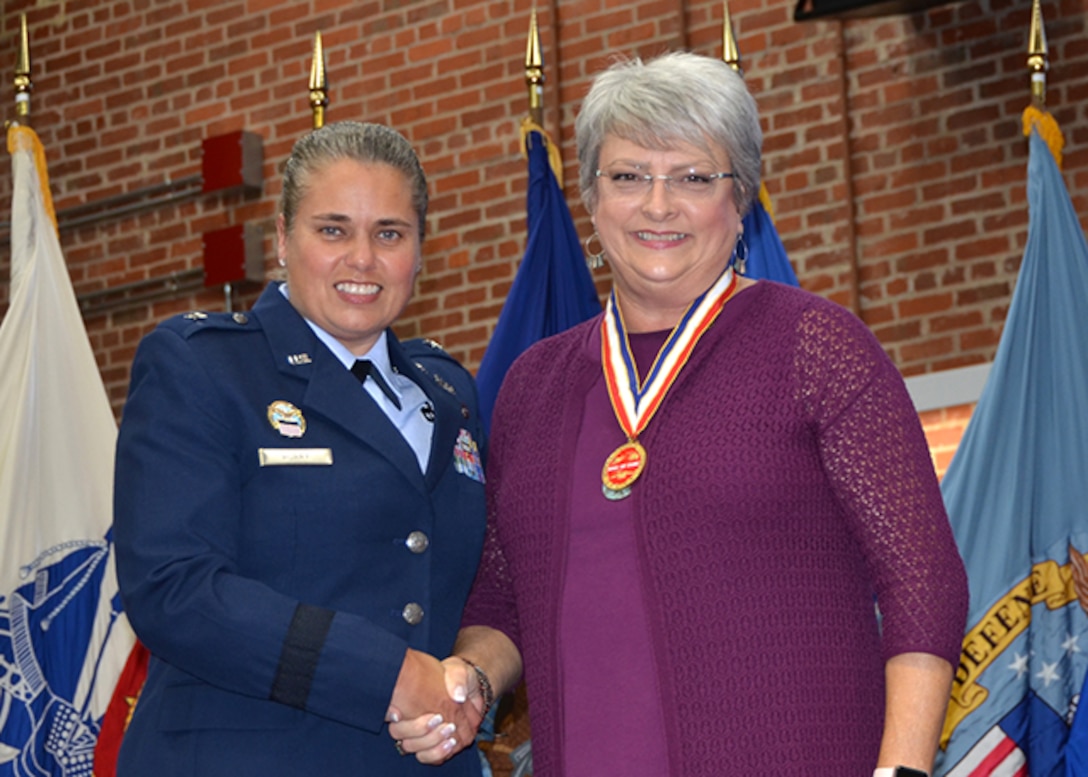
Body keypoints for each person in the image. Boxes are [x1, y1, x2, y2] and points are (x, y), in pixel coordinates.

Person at [391, 52, 969, 776]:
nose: (658, 204)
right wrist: (470, 678)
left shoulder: (817, 348)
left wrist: (904, 769)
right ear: (592, 199)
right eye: (629, 176)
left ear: (741, 199)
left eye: (694, 177)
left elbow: (924, 580)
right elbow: (503, 596)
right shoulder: (532, 386)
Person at [113, 121, 488, 776]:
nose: (363, 259)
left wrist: (474, 680)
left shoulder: (450, 391)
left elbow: (483, 581)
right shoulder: (203, 368)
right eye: (333, 229)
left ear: (420, 252)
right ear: (284, 239)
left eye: (390, 233)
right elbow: (174, 588)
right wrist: (388, 673)